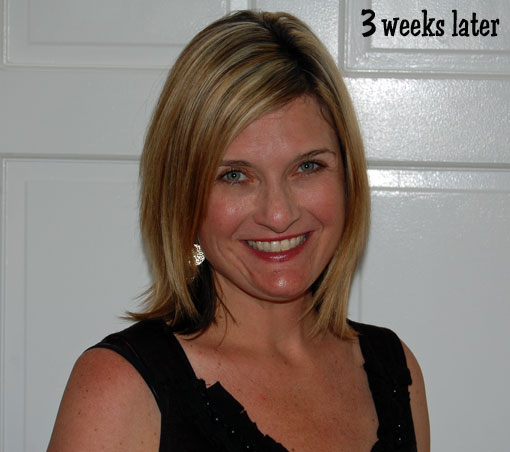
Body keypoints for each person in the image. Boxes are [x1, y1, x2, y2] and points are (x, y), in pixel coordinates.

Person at [47, 10, 429, 452]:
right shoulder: (120, 388)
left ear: (347, 178)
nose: (278, 214)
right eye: (234, 175)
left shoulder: (395, 369)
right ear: (183, 198)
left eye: (308, 167)